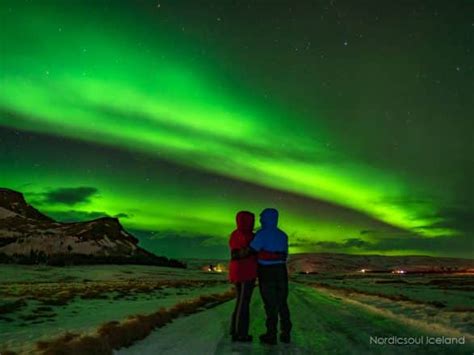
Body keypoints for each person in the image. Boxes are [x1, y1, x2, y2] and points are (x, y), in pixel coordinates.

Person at [250, 208, 292, 345]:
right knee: (282, 302)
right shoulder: (283, 235)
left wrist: (263, 254)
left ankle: (271, 334)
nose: (260, 220)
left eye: (261, 217)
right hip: (281, 270)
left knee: (270, 304)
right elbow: (284, 255)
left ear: (266, 218)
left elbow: (253, 250)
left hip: (266, 271)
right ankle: (286, 333)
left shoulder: (261, 234)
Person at [228, 210, 257, 342]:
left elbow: (234, 252)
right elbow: (255, 251)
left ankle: (234, 329)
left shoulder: (234, 234)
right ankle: (242, 334)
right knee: (244, 302)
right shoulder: (251, 236)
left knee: (239, 300)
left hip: (236, 271)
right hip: (247, 271)